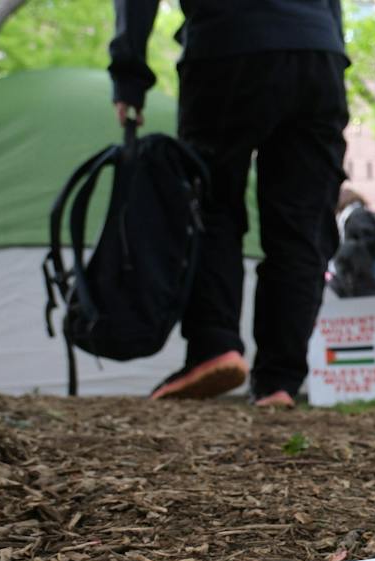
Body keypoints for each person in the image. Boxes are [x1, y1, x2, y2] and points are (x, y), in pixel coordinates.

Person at [109, 0, 349, 408]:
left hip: (227, 43)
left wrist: (129, 74)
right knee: (301, 223)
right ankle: (278, 379)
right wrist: (328, 42)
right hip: (319, 53)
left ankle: (214, 346)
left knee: (211, 204)